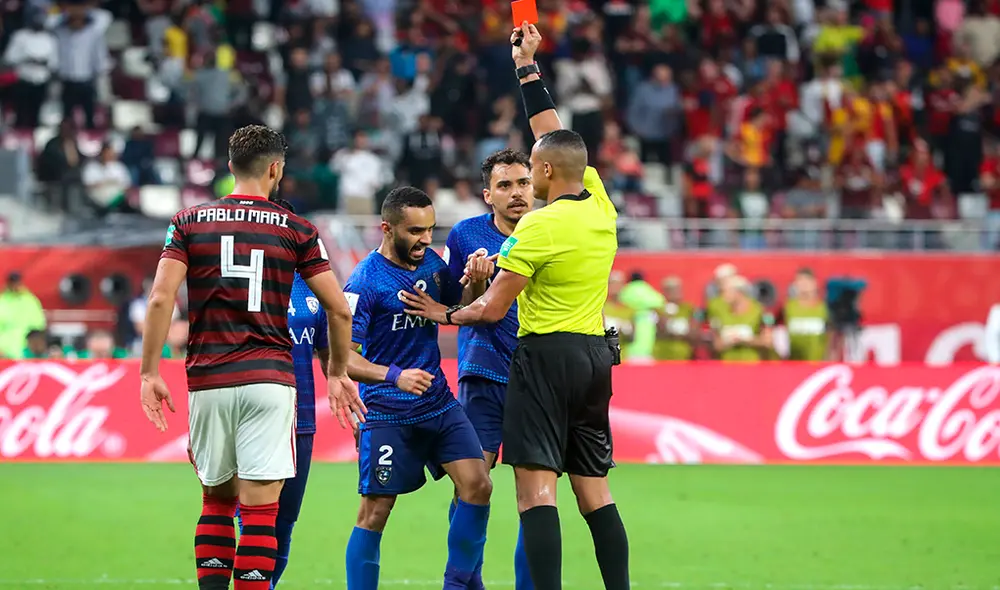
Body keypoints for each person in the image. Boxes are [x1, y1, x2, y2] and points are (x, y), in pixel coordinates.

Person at [402, 23, 629, 590]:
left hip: (542, 361)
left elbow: (491, 309)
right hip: (596, 357)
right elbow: (555, 134)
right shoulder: (600, 204)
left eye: (532, 168)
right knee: (595, 491)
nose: (525, 181)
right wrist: (527, 67)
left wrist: (446, 313)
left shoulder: (537, 228)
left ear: (544, 173)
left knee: (535, 491)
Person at [138, 124, 362, 590]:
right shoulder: (299, 229)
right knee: (262, 511)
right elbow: (339, 308)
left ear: (228, 166)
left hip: (208, 378)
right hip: (270, 381)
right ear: (276, 169)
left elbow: (161, 299)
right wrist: (338, 371)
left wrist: (149, 371)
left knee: (217, 502)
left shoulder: (187, 221)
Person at [342, 186, 493, 590]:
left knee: (478, 485)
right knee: (375, 512)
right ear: (386, 228)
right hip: (389, 411)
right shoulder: (363, 282)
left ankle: (457, 585)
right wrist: (395, 376)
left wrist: (476, 284)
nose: (426, 240)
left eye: (430, 229)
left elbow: (459, 308)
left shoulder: (431, 265)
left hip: (439, 404)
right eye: (416, 231)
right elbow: (346, 360)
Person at [442, 147, 535, 590]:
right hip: (483, 373)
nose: (516, 193)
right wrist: (476, 284)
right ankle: (463, 583)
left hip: (538, 378)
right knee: (470, 484)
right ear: (487, 195)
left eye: (523, 183)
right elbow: (454, 308)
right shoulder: (464, 235)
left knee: (534, 496)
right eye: (505, 186)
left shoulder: (550, 230)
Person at [236, 268, 332, 588]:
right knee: (252, 518)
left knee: (285, 523)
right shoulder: (245, 280)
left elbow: (328, 354)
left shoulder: (313, 285)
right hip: (255, 417)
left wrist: (345, 389)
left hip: (301, 419)